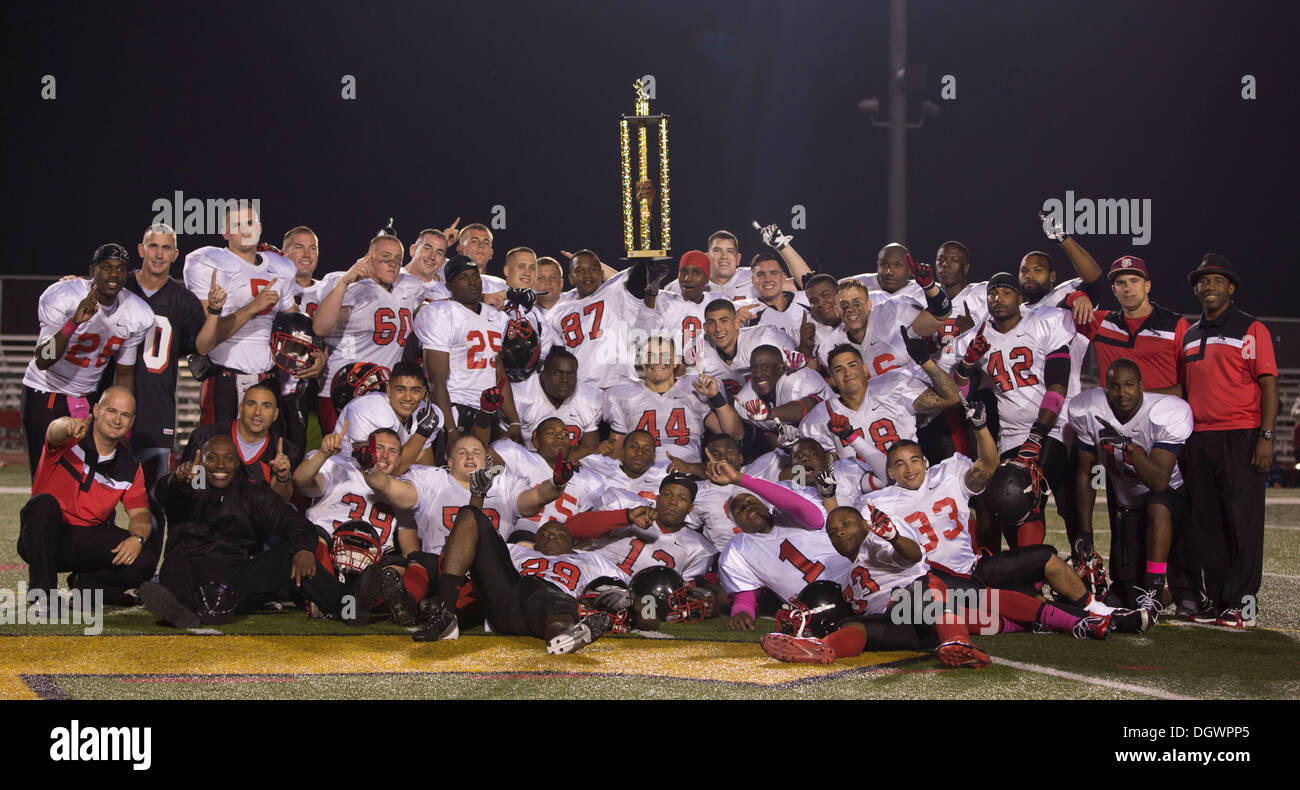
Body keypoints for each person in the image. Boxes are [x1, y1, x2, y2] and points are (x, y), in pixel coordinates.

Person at [141, 434, 368, 628]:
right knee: (176, 565)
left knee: (292, 554)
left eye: (228, 459)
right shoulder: (189, 486)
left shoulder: (249, 492)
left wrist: (303, 548)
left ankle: (348, 606)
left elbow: (293, 521)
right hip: (190, 568)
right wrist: (178, 479)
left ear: (237, 464)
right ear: (200, 461)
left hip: (235, 575)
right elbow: (165, 493)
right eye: (212, 458)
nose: (220, 465)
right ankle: (180, 609)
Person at [945, 272, 1079, 550]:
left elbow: (1058, 384)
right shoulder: (976, 338)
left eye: (1006, 292)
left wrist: (1038, 434)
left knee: (1021, 489)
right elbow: (959, 393)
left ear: (1019, 298)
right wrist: (967, 364)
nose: (998, 298)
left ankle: (1040, 569)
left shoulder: (1044, 321)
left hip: (1051, 426)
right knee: (994, 500)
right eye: (992, 293)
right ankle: (999, 569)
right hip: (1011, 434)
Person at [1178, 255, 1277, 628]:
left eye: (1216, 281)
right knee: (1209, 524)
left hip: (1241, 434)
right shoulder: (1188, 334)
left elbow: (1268, 383)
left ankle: (1243, 607)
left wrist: (1266, 436)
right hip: (1200, 438)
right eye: (1202, 282)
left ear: (1230, 288)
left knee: (1243, 524)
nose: (1208, 287)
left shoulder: (1252, 328)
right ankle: (1220, 602)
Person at [1070, 359, 1194, 620]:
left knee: (1157, 502)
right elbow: (1086, 473)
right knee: (1126, 592)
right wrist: (1085, 529)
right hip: (1126, 502)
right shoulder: (1090, 409)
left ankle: (1155, 591)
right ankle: (1138, 586)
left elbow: (1159, 481)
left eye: (1128, 385)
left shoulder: (1163, 412)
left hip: (1169, 502)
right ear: (1106, 388)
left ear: (1141, 386)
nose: (1122, 393)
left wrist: (1131, 449)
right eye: (1115, 386)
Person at [120, 224, 221, 535]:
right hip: (110, 402)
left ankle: (147, 571)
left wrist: (215, 310)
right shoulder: (119, 286)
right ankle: (97, 566)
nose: (159, 254)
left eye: (166, 248)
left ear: (175, 254)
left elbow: (202, 347)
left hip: (155, 408)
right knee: (99, 489)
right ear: (141, 249)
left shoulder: (183, 300)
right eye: (153, 246)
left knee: (152, 495)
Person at [410, 509, 627, 654]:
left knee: (550, 597)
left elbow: (620, 586)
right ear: (534, 541)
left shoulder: (591, 560)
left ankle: (566, 637)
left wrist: (620, 596)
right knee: (470, 514)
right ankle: (446, 617)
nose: (551, 537)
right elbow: (461, 558)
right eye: (544, 535)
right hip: (509, 594)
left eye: (559, 535)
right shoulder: (516, 550)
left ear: (573, 543)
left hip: (550, 600)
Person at [22, 244, 154, 478]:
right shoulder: (63, 295)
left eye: (120, 269)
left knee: (88, 478)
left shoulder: (137, 313)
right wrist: (72, 323)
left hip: (87, 397)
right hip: (46, 392)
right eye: (106, 268)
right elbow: (43, 360)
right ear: (92, 270)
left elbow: (124, 373)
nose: (113, 274)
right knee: (46, 477)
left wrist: (122, 416)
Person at [183, 203, 323, 423]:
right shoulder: (209, 262)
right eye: (237, 225)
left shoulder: (281, 267)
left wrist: (315, 354)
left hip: (268, 380)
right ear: (225, 232)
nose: (246, 230)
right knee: (220, 452)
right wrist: (252, 308)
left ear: (259, 227)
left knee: (268, 455)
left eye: (250, 223)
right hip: (224, 378)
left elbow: (295, 324)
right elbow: (205, 343)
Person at [18, 386, 155, 611]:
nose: (117, 420)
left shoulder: (130, 467)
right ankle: (43, 596)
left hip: (85, 541)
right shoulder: (70, 439)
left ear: (131, 422)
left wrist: (137, 539)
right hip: (43, 536)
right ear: (97, 410)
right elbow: (54, 430)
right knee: (42, 505)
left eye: (125, 415)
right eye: (112, 411)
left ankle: (86, 586)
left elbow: (140, 513)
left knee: (145, 561)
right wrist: (70, 425)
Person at [709, 453, 847, 631]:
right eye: (739, 508)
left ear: (767, 504)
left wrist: (739, 479)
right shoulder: (737, 549)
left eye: (751, 501)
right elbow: (746, 591)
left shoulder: (791, 514)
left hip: (851, 585)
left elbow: (801, 507)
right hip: (813, 613)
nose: (748, 507)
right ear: (736, 523)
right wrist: (742, 612)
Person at [312, 231, 425, 433]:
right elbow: (321, 327)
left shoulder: (408, 288)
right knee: (340, 454)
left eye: (398, 259)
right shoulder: (349, 285)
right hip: (342, 387)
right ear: (368, 259)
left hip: (383, 390)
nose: (393, 263)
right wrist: (344, 283)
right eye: (385, 258)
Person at [801, 342, 961, 479]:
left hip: (912, 481)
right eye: (839, 369)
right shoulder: (819, 418)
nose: (847, 373)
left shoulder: (892, 386)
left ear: (864, 369)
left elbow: (951, 398)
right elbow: (826, 471)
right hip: (865, 496)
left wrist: (926, 361)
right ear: (832, 379)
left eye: (852, 365)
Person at [414, 255, 522, 442]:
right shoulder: (442, 314)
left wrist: (514, 421)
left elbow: (497, 372)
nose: (472, 282)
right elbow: (436, 380)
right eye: (463, 277)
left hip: (489, 409)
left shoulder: (496, 317)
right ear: (449, 286)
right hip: (457, 408)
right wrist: (450, 429)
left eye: (474, 276)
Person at [604, 335, 743, 463]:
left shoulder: (694, 388)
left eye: (664, 356)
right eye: (650, 356)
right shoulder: (622, 394)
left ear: (675, 361)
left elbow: (735, 434)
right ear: (642, 362)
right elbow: (615, 453)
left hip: (687, 478)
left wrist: (716, 397)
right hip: (640, 477)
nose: (657, 362)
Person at [1073, 255, 1189, 396]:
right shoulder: (1101, 323)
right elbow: (1056, 315)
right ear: (1114, 290)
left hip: (1162, 413)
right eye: (1121, 283)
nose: (1128, 288)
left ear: (1147, 286)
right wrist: (1077, 296)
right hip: (1115, 415)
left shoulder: (1174, 324)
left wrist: (1142, 400)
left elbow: (1190, 382)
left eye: (1134, 281)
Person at [180, 381, 300, 501]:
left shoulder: (286, 451)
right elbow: (186, 492)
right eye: (251, 404)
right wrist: (190, 481)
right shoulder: (204, 438)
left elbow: (280, 502)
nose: (257, 412)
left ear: (275, 414)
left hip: (257, 517)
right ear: (241, 408)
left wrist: (282, 478)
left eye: (266, 406)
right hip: (211, 514)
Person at [547, 250, 642, 390]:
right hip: (581, 389)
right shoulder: (556, 312)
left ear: (602, 273)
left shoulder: (615, 293)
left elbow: (638, 276)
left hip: (621, 386)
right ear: (571, 279)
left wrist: (646, 259)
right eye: (579, 270)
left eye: (593, 269)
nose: (587, 275)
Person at [335, 362, 443, 474]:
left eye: (415, 391)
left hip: (388, 482)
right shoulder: (366, 410)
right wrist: (422, 433)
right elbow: (382, 471)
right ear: (389, 390)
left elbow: (426, 470)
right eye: (400, 390)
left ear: (423, 393)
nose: (408, 398)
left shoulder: (427, 413)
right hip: (348, 477)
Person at [510, 349, 604, 459]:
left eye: (571, 374)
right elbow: (506, 450)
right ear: (543, 375)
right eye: (558, 373)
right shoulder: (520, 396)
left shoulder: (591, 399)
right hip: (527, 465)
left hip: (570, 468)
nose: (565, 380)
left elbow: (590, 455)